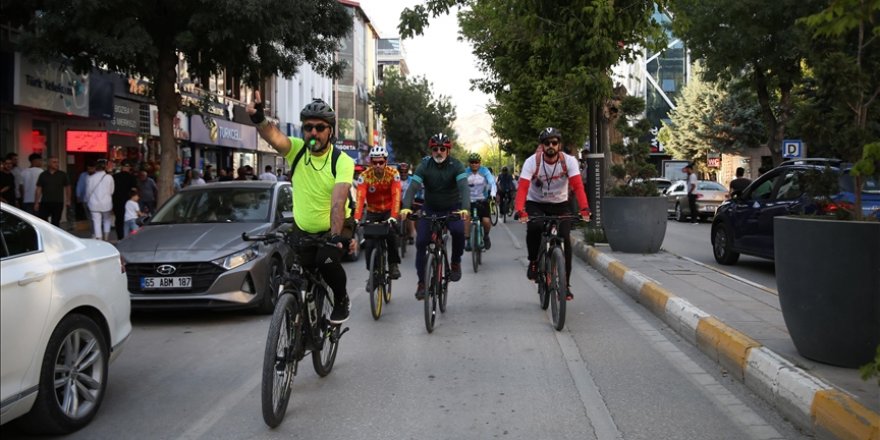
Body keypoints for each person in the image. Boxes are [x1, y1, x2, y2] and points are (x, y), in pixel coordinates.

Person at [247, 91, 355, 324]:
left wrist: (335, 236)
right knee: (295, 274)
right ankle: (299, 324)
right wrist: (259, 119)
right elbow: (274, 138)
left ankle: (341, 298)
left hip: (333, 230)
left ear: (330, 131)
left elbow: (338, 202)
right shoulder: (296, 150)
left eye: (319, 127)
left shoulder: (342, 161)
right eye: (308, 127)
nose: (313, 132)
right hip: (302, 229)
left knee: (326, 262)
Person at [515, 127, 590, 300]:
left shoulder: (569, 161)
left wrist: (584, 209)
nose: (551, 146)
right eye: (547, 143)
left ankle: (566, 285)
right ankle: (534, 261)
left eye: (554, 142)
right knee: (534, 227)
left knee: (565, 239)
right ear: (542, 145)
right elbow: (523, 188)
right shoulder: (532, 162)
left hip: (560, 204)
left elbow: (578, 186)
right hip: (536, 203)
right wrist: (521, 210)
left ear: (559, 145)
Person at [400, 133, 471, 300]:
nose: (439, 152)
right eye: (435, 149)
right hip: (430, 208)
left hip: (452, 208)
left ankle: (455, 262)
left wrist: (466, 209)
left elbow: (464, 188)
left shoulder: (457, 165)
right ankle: (422, 283)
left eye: (442, 149)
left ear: (448, 150)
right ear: (431, 150)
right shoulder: (424, 165)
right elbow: (413, 187)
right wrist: (406, 208)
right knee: (421, 242)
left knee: (459, 231)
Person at [355, 145, 403, 280]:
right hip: (372, 211)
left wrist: (393, 216)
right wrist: (357, 218)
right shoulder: (364, 176)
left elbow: (396, 196)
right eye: (374, 162)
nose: (377, 165)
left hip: (389, 211)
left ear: (385, 161)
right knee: (369, 243)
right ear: (370, 162)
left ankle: (393, 264)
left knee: (392, 235)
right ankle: (373, 272)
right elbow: (359, 198)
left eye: (381, 162)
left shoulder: (394, 174)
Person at [464, 152, 497, 251]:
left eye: (476, 162)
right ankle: (468, 240)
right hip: (469, 200)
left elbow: (492, 182)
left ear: (480, 163)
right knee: (466, 217)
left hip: (482, 200)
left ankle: (486, 236)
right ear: (469, 163)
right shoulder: (465, 172)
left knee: (486, 221)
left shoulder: (485, 171)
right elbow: (460, 184)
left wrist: (493, 194)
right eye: (472, 162)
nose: (474, 164)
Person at [34, 156, 71, 227]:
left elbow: (68, 187)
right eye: (54, 162)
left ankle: (54, 236)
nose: (57, 164)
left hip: (58, 201)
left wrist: (68, 200)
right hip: (45, 201)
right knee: (42, 219)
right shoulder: (43, 174)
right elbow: (39, 189)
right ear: (49, 164)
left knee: (56, 221)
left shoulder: (62, 174)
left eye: (57, 162)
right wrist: (36, 202)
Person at [86, 159, 115, 240]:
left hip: (93, 203)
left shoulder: (90, 178)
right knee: (107, 220)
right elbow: (112, 191)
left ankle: (99, 238)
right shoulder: (109, 177)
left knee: (96, 221)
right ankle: (106, 237)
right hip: (106, 203)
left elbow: (88, 192)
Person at [112, 160, 138, 240]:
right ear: (129, 167)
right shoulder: (132, 177)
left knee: (119, 219)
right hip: (128, 202)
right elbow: (134, 190)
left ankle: (120, 237)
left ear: (121, 166)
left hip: (117, 201)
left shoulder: (115, 177)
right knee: (130, 220)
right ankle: (129, 237)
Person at [398, 162, 416, 244]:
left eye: (405, 172)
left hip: (409, 202)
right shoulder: (396, 179)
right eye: (401, 172)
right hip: (397, 202)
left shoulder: (412, 180)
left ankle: (411, 235)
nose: (403, 174)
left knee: (410, 217)